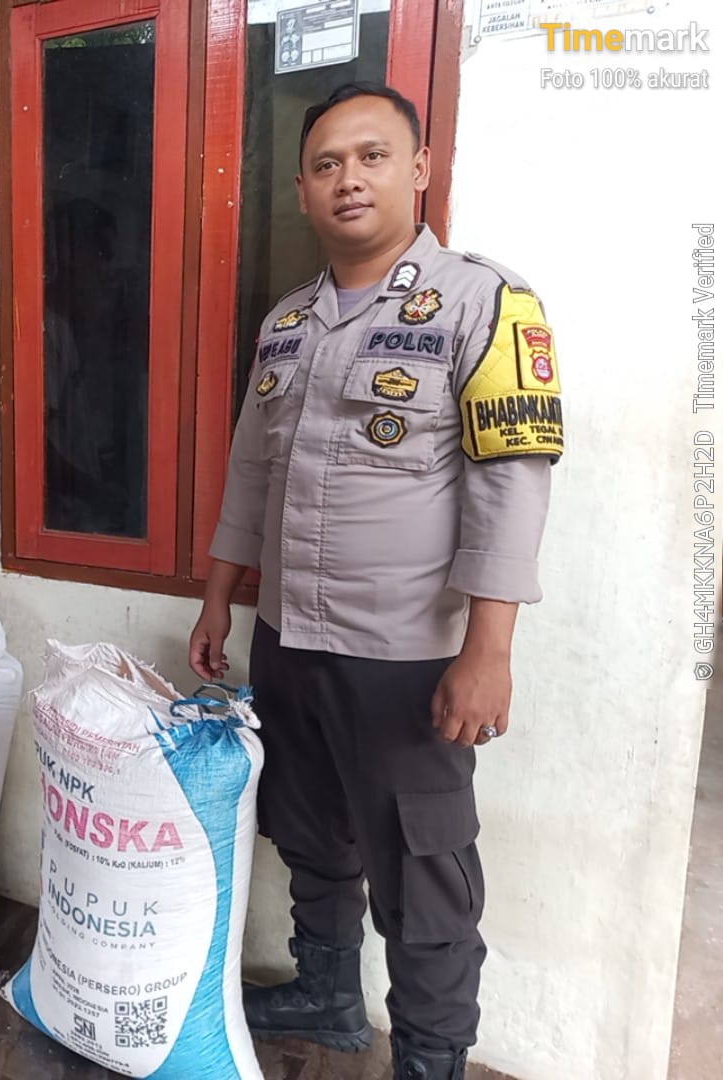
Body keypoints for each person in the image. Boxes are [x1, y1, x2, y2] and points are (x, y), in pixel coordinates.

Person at [189, 83, 561, 1080]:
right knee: (308, 830)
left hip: (405, 655)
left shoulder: (485, 302)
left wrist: (489, 652)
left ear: (420, 169)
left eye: (372, 156)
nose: (347, 178)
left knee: (422, 872)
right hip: (289, 637)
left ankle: (431, 1058)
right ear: (303, 191)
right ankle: (327, 993)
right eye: (325, 164)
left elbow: (511, 484)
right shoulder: (287, 322)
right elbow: (251, 471)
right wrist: (220, 593)